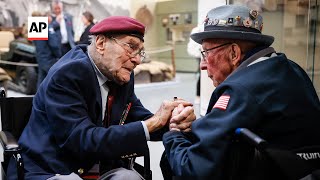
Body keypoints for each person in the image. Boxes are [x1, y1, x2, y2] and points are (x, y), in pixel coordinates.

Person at [7, 16, 195, 180]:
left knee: (130, 177)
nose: (137, 59)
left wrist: (175, 122)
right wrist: (153, 123)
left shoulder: (119, 76)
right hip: (53, 168)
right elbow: (81, 140)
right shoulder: (68, 74)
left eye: (140, 52)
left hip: (99, 166)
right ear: (101, 43)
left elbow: (137, 117)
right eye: (131, 47)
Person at [162, 5, 320, 179]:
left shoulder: (240, 89)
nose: (202, 64)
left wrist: (174, 134)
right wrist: (195, 126)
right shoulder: (291, 68)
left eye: (206, 53)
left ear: (234, 53)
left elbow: (194, 170)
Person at [32, 11, 61, 88]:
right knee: (55, 80)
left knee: (41, 80)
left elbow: (34, 43)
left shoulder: (35, 26)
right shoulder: (48, 27)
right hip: (49, 58)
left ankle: (39, 98)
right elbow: (54, 45)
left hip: (40, 57)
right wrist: (59, 55)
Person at [187, 25, 202, 104]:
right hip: (199, 54)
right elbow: (192, 46)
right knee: (201, 74)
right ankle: (198, 95)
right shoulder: (196, 30)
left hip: (202, 53)